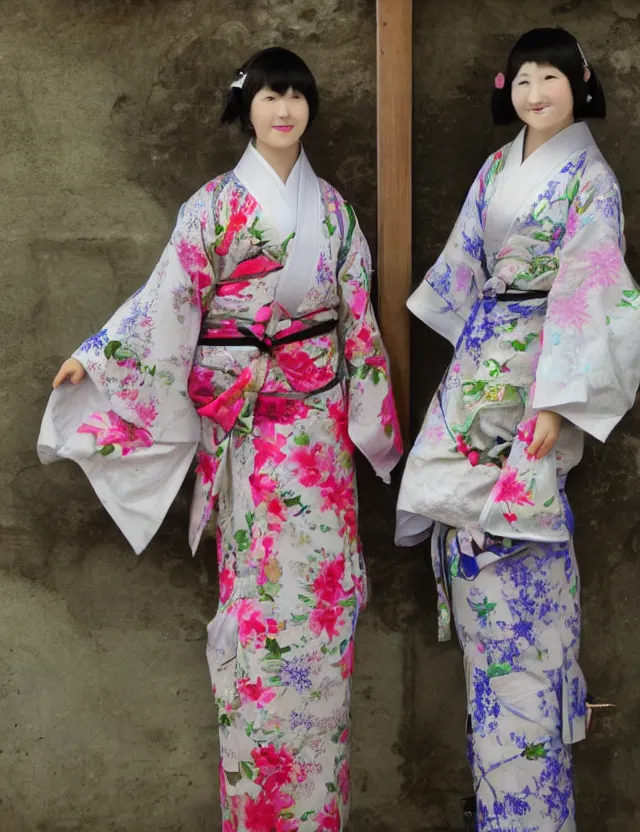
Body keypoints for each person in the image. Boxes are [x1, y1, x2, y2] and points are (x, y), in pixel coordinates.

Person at [38, 46, 402, 832]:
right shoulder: (212, 207)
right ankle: (258, 811)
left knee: (324, 613)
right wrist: (98, 356)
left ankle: (317, 814)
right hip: (246, 439)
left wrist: (373, 430)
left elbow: (359, 325)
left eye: (298, 97)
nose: (285, 110)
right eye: (271, 96)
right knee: (253, 624)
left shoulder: (332, 211)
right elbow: (166, 300)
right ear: (248, 108)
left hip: (316, 440)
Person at [395, 27, 640, 831]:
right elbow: (465, 272)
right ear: (510, 88)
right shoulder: (500, 168)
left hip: (539, 368)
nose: (537, 93)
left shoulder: (589, 181)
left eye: (553, 79)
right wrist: (476, 366)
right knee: (473, 543)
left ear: (581, 85)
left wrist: (555, 402)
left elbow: (591, 282)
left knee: (521, 535)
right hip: (481, 369)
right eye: (526, 80)